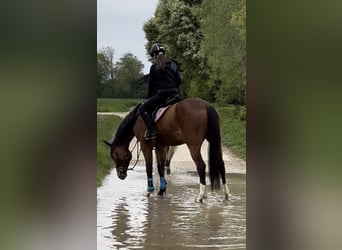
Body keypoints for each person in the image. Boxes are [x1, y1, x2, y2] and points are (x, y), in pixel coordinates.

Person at [139, 43, 182, 140]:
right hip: (175, 94)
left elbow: (151, 85)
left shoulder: (154, 67)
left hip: (162, 95)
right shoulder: (173, 64)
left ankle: (152, 131)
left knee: (143, 109)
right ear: (164, 53)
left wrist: (149, 98)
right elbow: (179, 81)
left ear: (154, 55)